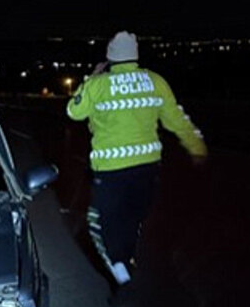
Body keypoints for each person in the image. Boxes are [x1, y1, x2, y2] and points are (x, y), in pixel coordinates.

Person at [66, 30, 207, 290]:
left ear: (110, 57)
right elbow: (177, 119)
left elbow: (74, 111)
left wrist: (91, 78)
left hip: (110, 171)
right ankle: (126, 261)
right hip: (147, 169)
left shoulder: (99, 85)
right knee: (131, 218)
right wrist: (196, 146)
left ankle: (120, 272)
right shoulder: (155, 82)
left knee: (99, 221)